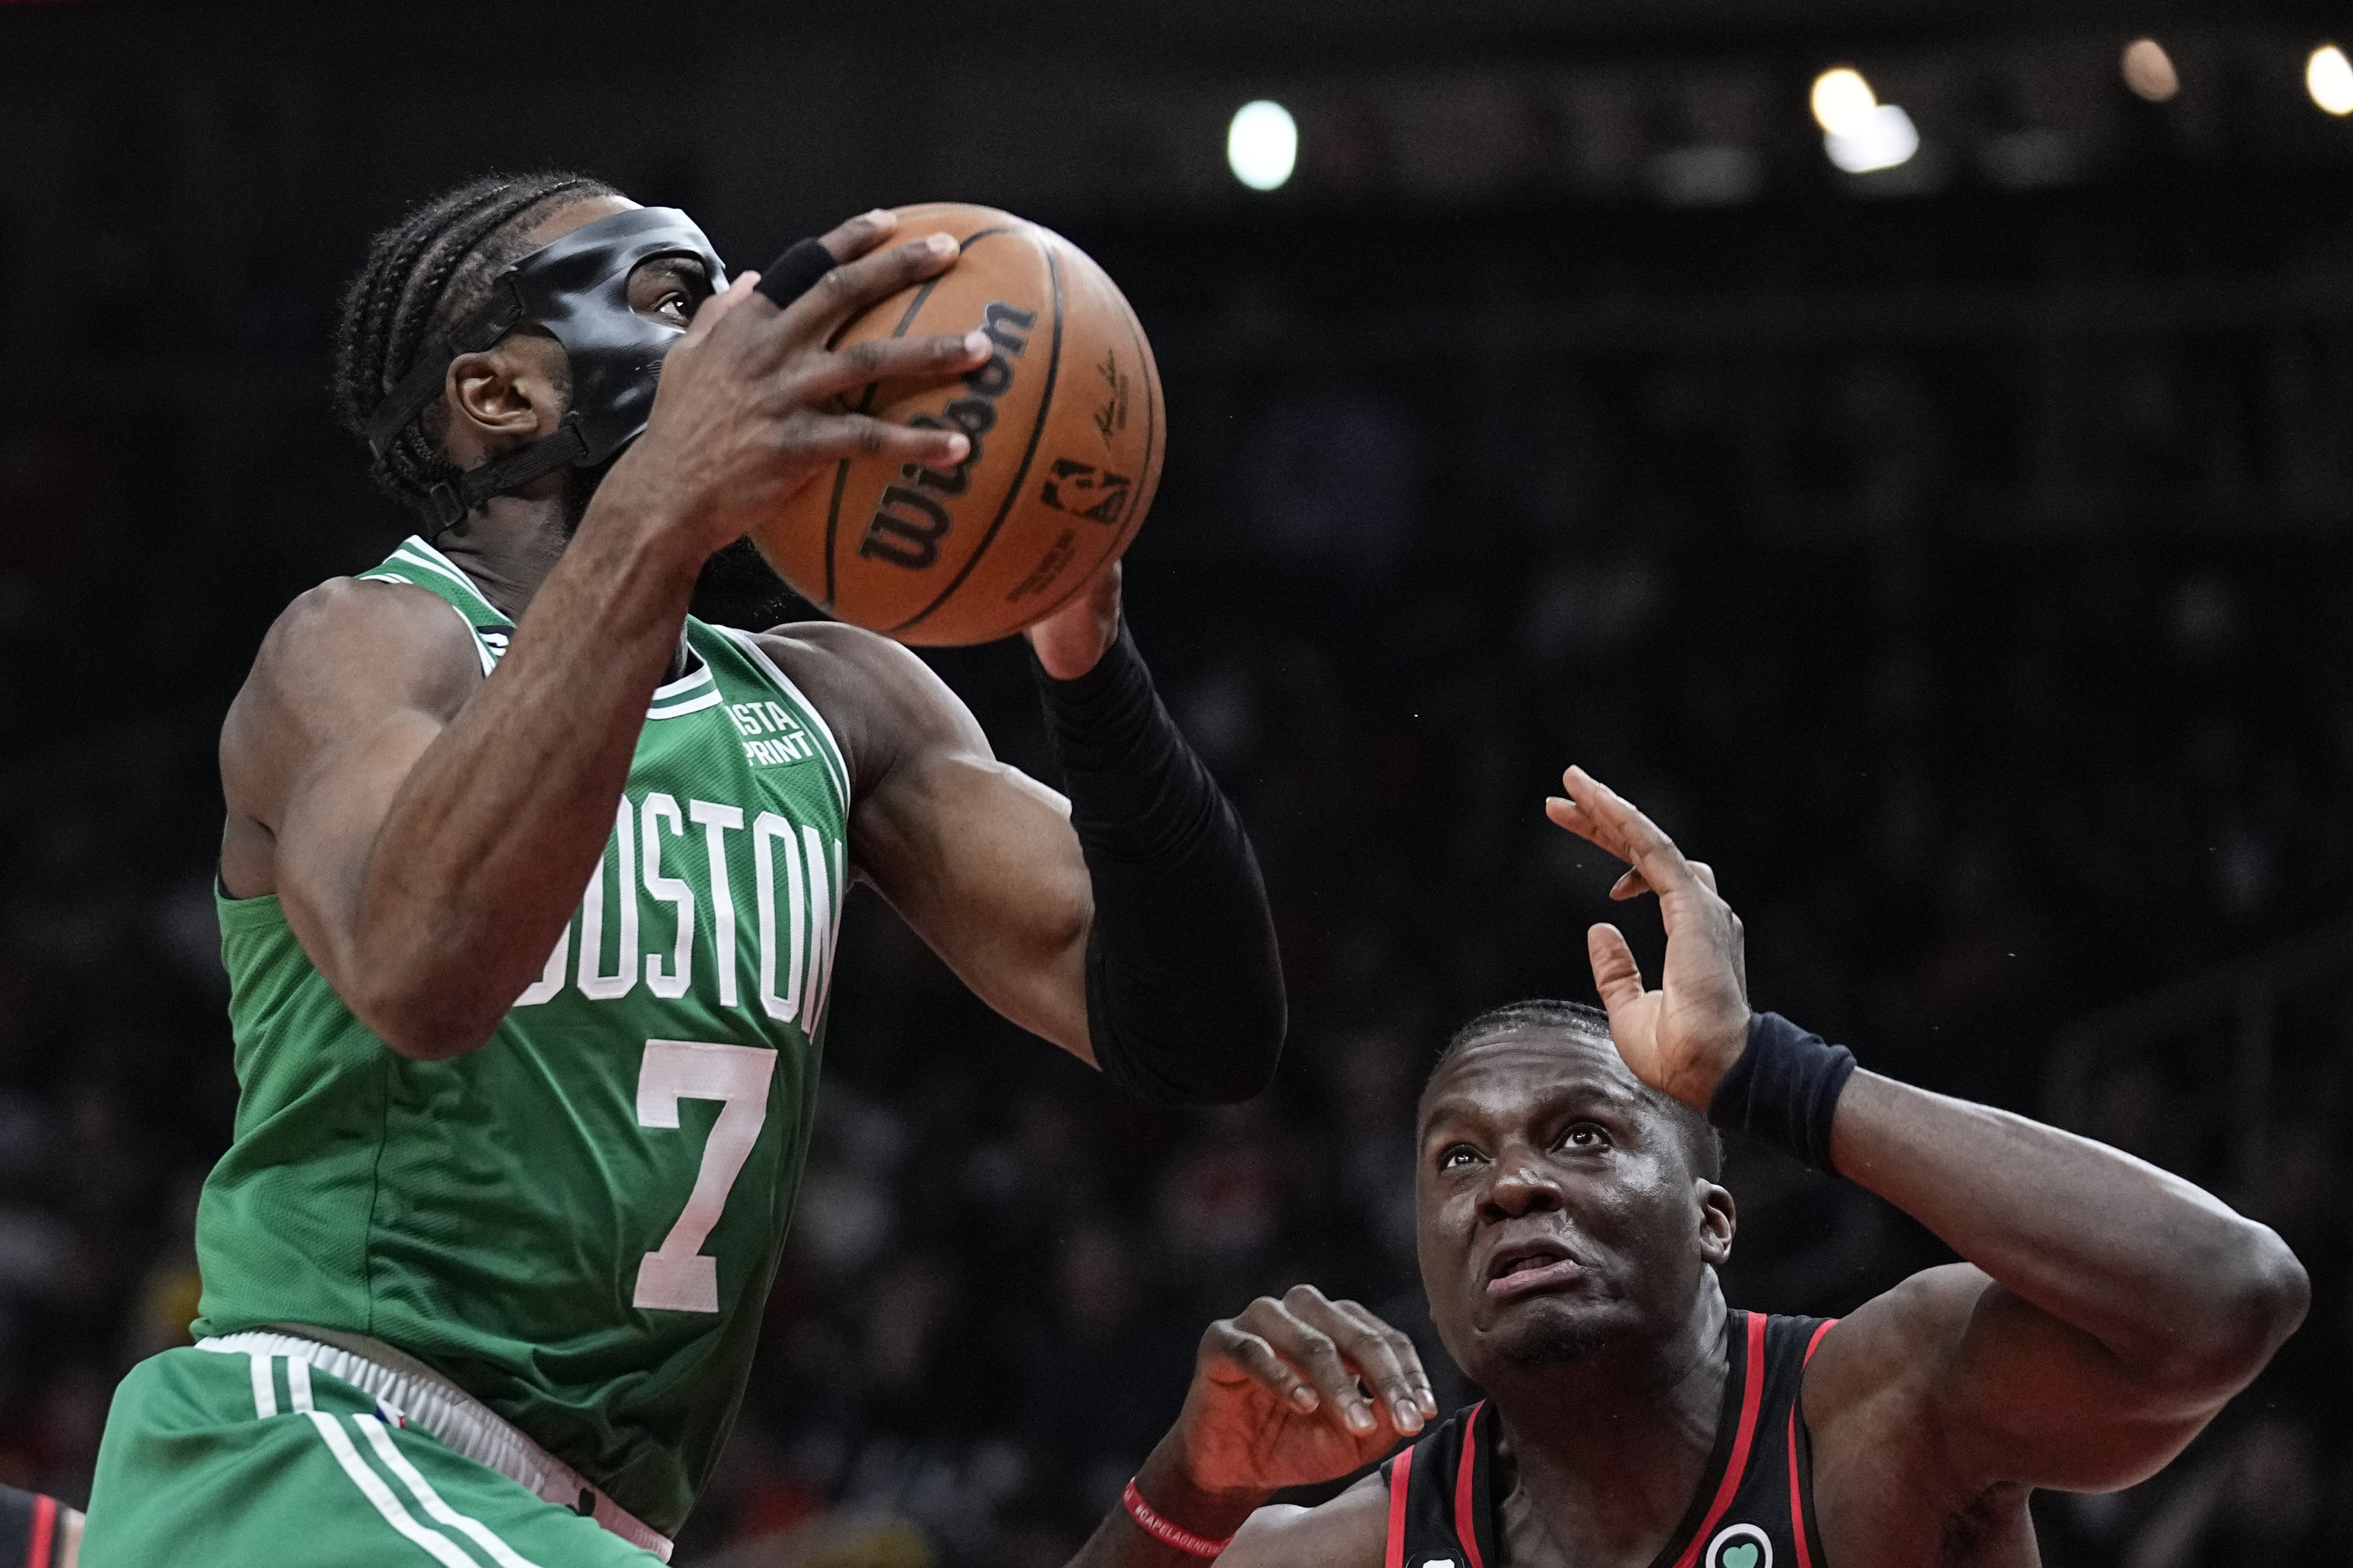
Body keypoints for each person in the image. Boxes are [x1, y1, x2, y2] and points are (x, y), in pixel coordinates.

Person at [81, 173, 1284, 1566]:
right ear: (501, 395)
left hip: (574, 1517)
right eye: (671, 298)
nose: (735, 329)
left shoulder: (833, 701)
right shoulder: (370, 643)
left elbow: (1197, 1031)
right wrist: (665, 502)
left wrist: (1083, 653)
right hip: (320, 1453)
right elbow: (422, 968)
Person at [1073, 767, 2307, 1568]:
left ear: (1715, 1217)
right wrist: (1192, 1481)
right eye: (1457, 1157)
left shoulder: (1883, 1415)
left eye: (1580, 1135)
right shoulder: (1356, 1546)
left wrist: (1764, 1072)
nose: (1507, 1186)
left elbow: (2225, 1296)